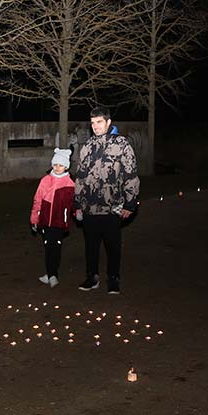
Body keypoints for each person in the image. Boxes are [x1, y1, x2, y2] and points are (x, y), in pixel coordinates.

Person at [74, 106, 140, 294]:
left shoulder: (122, 144)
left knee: (113, 246)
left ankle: (113, 278)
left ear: (108, 122)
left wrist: (130, 202)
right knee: (91, 246)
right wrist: (77, 202)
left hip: (113, 206)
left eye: (99, 122)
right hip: (89, 207)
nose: (95, 126)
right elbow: (80, 176)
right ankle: (92, 277)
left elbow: (131, 174)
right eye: (92, 122)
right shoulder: (87, 146)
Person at [30, 148, 75, 288]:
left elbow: (73, 203)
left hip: (59, 222)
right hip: (44, 222)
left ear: (66, 166)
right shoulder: (45, 180)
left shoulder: (70, 184)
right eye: (55, 164)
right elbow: (37, 200)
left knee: (55, 248)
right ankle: (51, 274)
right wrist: (34, 218)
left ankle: (52, 274)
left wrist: (77, 212)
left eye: (61, 165)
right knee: (48, 247)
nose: (57, 168)